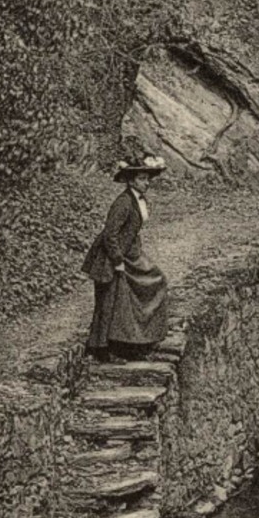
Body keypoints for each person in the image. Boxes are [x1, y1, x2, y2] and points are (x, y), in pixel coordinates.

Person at [83, 154, 169, 362]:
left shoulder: (137, 200)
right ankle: (103, 349)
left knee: (155, 280)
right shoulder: (123, 202)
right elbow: (110, 234)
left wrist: (134, 252)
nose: (146, 183)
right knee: (111, 299)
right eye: (141, 179)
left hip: (128, 253)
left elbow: (131, 231)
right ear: (130, 180)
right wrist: (117, 261)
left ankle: (137, 340)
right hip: (110, 257)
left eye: (147, 179)